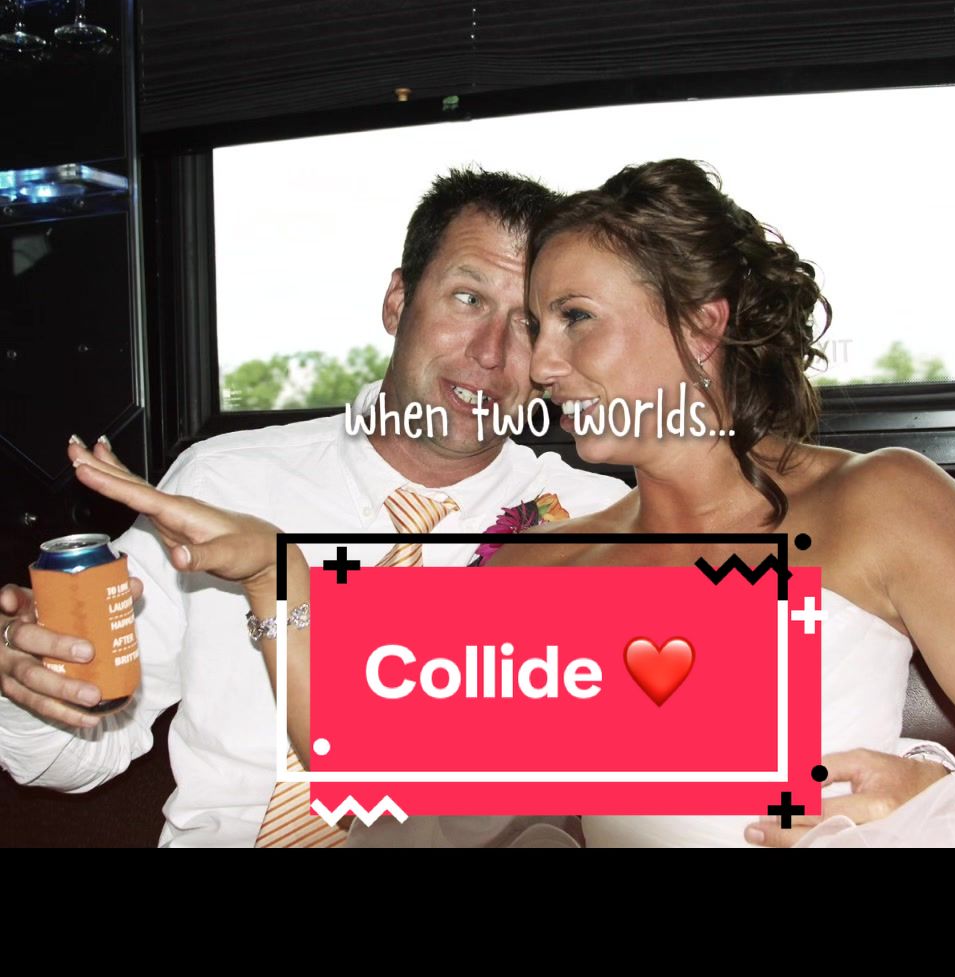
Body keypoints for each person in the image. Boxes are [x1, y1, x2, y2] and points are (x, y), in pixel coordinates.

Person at [0, 169, 629, 848]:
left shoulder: (600, 523)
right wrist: (32, 683)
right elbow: (74, 755)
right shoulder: (221, 482)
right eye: (468, 298)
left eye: (528, 323)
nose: (490, 352)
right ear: (398, 301)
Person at [483, 157, 955, 847]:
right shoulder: (540, 566)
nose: (542, 365)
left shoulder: (879, 503)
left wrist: (940, 794)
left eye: (576, 317)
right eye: (537, 326)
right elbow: (403, 778)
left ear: (701, 326)